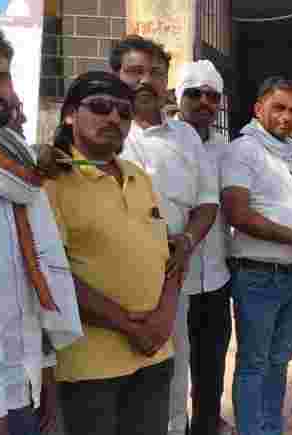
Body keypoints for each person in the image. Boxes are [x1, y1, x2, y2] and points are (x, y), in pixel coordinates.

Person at [45, 71, 179, 435]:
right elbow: (51, 276)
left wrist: (165, 317)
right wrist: (128, 326)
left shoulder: (138, 176)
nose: (114, 118)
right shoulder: (51, 180)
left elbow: (167, 254)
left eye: (124, 112)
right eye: (100, 107)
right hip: (90, 368)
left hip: (154, 355)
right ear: (69, 115)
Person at [113, 35, 224, 435]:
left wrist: (188, 241)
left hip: (171, 277)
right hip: (112, 280)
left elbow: (208, 202)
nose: (146, 80)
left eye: (156, 73)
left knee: (172, 372)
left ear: (166, 84)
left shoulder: (186, 137)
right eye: (135, 71)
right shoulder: (103, 131)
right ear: (115, 75)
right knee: (119, 377)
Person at [0, 18, 82, 435]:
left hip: (24, 385)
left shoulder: (18, 164)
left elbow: (35, 272)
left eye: (0, 76)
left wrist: (46, 370)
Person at [220, 76, 292, 435]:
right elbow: (238, 214)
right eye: (278, 108)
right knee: (254, 363)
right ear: (258, 109)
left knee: (280, 360)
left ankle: (270, 428)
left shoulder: (291, 149)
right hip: (258, 275)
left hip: (291, 274)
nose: (287, 116)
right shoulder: (244, 150)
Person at [173, 59, 235, 435]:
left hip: (215, 275)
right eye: (194, 94)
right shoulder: (161, 142)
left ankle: (206, 424)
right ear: (178, 97)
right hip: (171, 276)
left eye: (212, 96)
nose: (204, 103)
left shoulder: (227, 150)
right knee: (173, 366)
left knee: (211, 364)